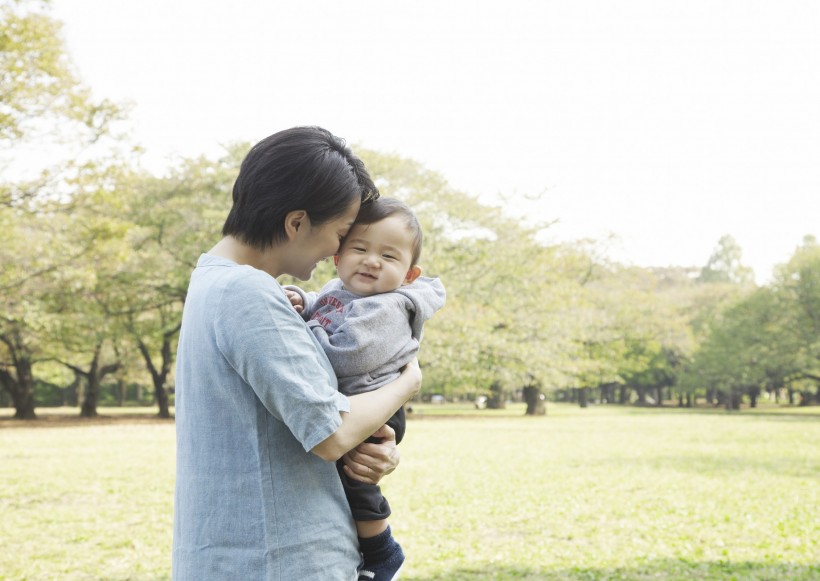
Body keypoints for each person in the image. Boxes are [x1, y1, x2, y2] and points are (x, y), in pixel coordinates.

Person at [172, 127, 422, 581]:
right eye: (343, 234)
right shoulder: (247, 293)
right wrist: (408, 382)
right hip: (279, 558)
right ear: (296, 223)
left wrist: (376, 454)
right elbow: (331, 432)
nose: (337, 253)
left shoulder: (212, 279)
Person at [285, 198, 446, 581]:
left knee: (355, 475)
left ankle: (380, 550)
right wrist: (304, 301)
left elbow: (344, 358)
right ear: (337, 257)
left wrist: (298, 330)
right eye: (360, 248)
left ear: (409, 274)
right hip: (356, 400)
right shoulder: (342, 289)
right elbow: (326, 305)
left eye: (389, 257)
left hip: (377, 406)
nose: (372, 261)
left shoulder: (387, 309)